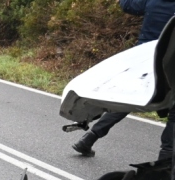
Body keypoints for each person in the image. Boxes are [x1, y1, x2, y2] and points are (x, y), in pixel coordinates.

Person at [72, 0, 175, 159]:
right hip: (170, 65)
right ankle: (166, 157)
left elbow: (128, 5)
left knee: (132, 99)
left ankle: (90, 137)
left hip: (144, 61)